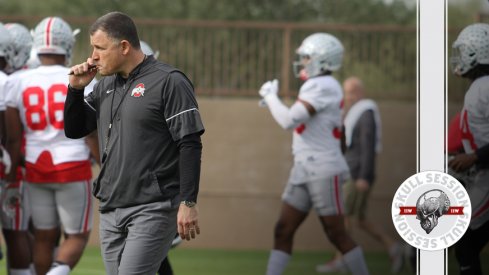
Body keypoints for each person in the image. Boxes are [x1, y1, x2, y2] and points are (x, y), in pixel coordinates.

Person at [64, 11, 205, 275]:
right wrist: (75, 89)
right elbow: (74, 130)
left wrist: (188, 202)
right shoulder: (104, 86)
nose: (92, 56)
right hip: (110, 207)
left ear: (124, 47)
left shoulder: (170, 81)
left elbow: (190, 144)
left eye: (100, 48)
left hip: (153, 207)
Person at [258, 32, 369, 275]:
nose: (304, 62)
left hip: (322, 169)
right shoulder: (322, 85)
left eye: (308, 57)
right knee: (283, 229)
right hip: (305, 167)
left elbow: (288, 120)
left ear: (323, 60)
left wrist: (270, 96)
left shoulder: (322, 85)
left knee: (337, 234)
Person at [5, 17, 96, 275]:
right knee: (77, 236)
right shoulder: (82, 77)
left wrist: (12, 172)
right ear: (68, 45)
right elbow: (91, 133)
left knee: (43, 237)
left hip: (34, 166)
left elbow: (13, 137)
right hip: (73, 165)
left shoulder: (17, 81)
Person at [316, 77, 404, 274]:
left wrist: (364, 176)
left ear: (358, 92)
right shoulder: (356, 113)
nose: (346, 97)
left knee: (343, 217)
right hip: (352, 172)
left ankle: (342, 259)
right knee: (358, 219)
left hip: (357, 175)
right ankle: (393, 248)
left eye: (349, 93)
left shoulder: (365, 113)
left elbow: (367, 145)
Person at [448, 22, 489, 275]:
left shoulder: (484, 87)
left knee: (464, 238)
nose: (459, 57)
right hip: (480, 176)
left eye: (464, 51)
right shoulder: (479, 86)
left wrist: (474, 156)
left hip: (485, 177)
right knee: (464, 243)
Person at [2, 22, 35, 275]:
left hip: (13, 163)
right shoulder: (19, 80)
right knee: (17, 231)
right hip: (16, 165)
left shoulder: (14, 80)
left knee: (18, 233)